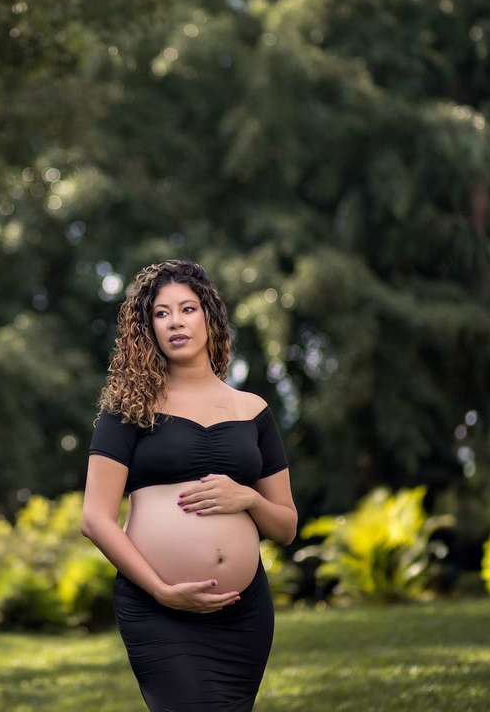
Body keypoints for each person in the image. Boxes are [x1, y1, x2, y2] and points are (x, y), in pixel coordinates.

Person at [80, 258, 298, 711]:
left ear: (209, 318)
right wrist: (160, 590)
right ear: (149, 329)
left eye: (187, 309)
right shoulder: (128, 408)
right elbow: (95, 519)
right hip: (158, 608)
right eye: (161, 313)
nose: (175, 322)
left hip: (243, 613)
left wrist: (249, 498)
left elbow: (286, 526)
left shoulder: (253, 410)